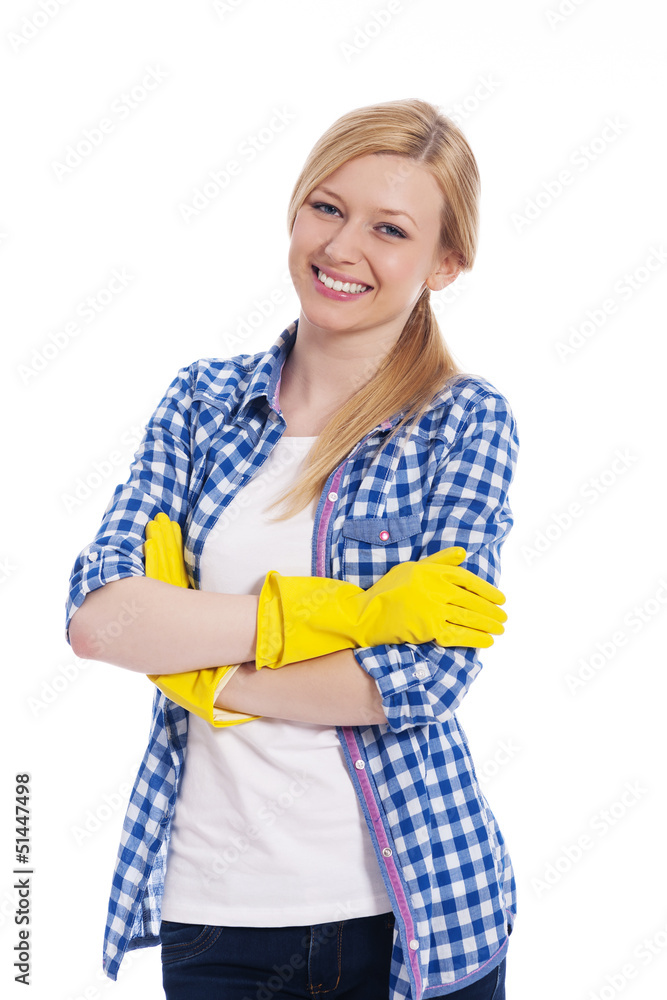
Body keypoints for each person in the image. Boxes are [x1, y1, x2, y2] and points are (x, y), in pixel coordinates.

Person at [65, 97, 519, 1000]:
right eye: (327, 207)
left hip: (415, 910)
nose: (341, 247)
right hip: (214, 918)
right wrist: (350, 614)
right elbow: (100, 619)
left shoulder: (462, 423)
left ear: (444, 263)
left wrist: (204, 673)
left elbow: (420, 679)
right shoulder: (201, 405)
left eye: (389, 229)